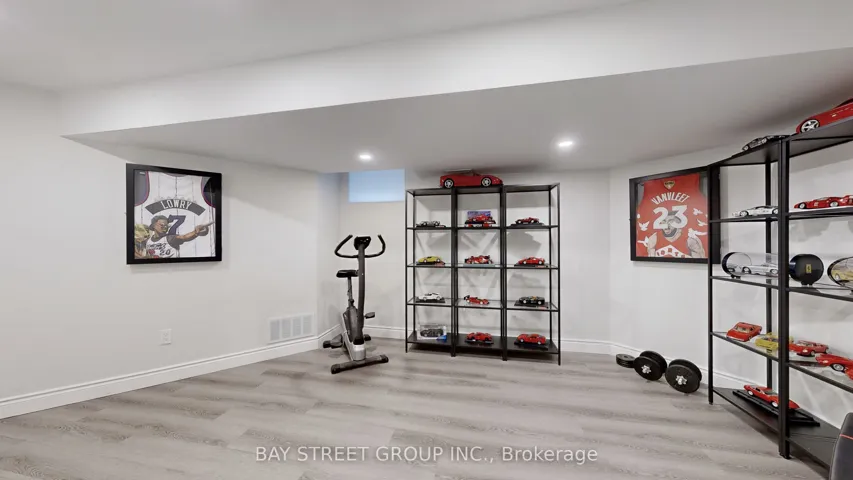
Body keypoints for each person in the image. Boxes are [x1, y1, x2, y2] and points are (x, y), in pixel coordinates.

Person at [142, 215, 211, 259]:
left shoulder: (170, 239)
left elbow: (184, 237)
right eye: (162, 225)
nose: (165, 227)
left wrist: (196, 232)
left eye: (166, 225)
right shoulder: (147, 241)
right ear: (154, 225)